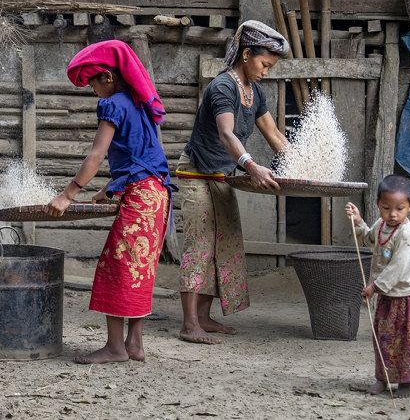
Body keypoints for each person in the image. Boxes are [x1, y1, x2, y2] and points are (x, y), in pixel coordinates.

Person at [46, 39, 171, 364]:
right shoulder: (137, 101)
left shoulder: (113, 103)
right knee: (139, 268)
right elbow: (139, 155)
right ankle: (134, 344)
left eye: (92, 83)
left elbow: (97, 153)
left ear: (108, 77)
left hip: (142, 196)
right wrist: (112, 189)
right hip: (156, 193)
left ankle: (115, 348)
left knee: (115, 267)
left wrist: (67, 194)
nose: (92, 91)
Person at [176, 20, 290, 344]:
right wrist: (251, 165)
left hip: (222, 175)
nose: (266, 71)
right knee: (200, 242)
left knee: (223, 241)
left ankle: (203, 317)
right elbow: (227, 134)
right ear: (246, 54)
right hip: (196, 172)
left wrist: (302, 166)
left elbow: (275, 135)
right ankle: (188, 325)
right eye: (264, 64)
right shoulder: (222, 87)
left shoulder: (255, 92)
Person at [345, 175, 410, 398]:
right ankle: (382, 378)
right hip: (386, 296)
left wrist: (374, 286)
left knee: (405, 339)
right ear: (378, 205)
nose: (392, 214)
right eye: (386, 208)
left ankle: (405, 382)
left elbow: (398, 268)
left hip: (405, 297)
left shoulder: (407, 235)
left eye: (399, 209)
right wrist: (358, 221)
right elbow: (368, 238)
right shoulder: (382, 225)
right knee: (382, 336)